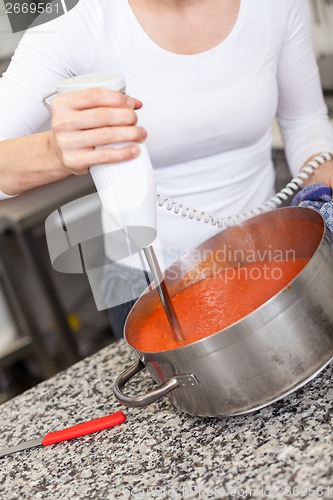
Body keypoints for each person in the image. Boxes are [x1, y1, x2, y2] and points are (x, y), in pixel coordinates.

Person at [1, 0, 333, 338]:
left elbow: (303, 119)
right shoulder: (72, 19)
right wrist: (53, 151)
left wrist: (324, 175)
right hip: (141, 277)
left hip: (264, 250)